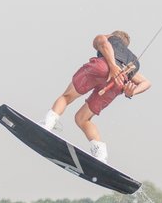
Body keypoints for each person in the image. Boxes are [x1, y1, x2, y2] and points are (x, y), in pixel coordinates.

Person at [40, 31, 151, 163]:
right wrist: (131, 92)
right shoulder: (130, 62)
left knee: (67, 97)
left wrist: (112, 66)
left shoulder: (107, 39)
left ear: (113, 36)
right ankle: (100, 152)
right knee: (82, 118)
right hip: (116, 84)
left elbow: (104, 44)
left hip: (102, 67)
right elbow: (146, 83)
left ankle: (47, 124)